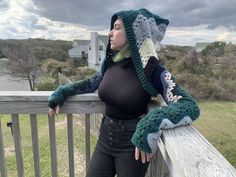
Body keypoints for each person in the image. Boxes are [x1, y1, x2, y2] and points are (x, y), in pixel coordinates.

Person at [48, 8, 200, 177]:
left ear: (133, 33)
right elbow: (91, 83)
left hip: (133, 143)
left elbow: (188, 105)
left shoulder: (152, 70)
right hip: (105, 136)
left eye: (117, 28)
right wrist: (62, 92)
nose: (110, 33)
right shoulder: (111, 61)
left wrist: (151, 123)